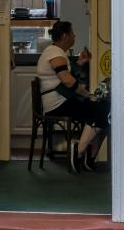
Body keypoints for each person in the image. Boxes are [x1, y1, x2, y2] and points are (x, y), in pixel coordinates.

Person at [36, 20, 109, 172]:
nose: (74, 36)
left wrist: (80, 62)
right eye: (72, 33)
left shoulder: (57, 52)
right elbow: (68, 81)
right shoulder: (54, 53)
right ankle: (79, 152)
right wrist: (88, 95)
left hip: (61, 102)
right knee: (102, 111)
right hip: (58, 105)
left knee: (104, 112)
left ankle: (88, 158)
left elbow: (65, 74)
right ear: (64, 35)